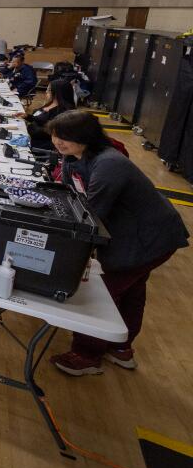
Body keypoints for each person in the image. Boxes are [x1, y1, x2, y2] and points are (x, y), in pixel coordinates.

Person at [46, 111, 188, 376]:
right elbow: (68, 195)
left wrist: (74, 253)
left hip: (148, 237)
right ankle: (121, 348)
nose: (57, 142)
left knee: (100, 293)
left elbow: (92, 214)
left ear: (85, 137)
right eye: (55, 135)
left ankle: (86, 354)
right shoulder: (73, 157)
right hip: (130, 234)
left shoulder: (110, 163)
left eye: (64, 137)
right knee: (132, 291)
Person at [14, 78, 76, 150]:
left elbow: (46, 131)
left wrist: (30, 129)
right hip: (31, 137)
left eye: (49, 90)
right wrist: (27, 116)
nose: (46, 92)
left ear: (57, 92)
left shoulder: (64, 112)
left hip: (40, 145)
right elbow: (40, 119)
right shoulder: (50, 103)